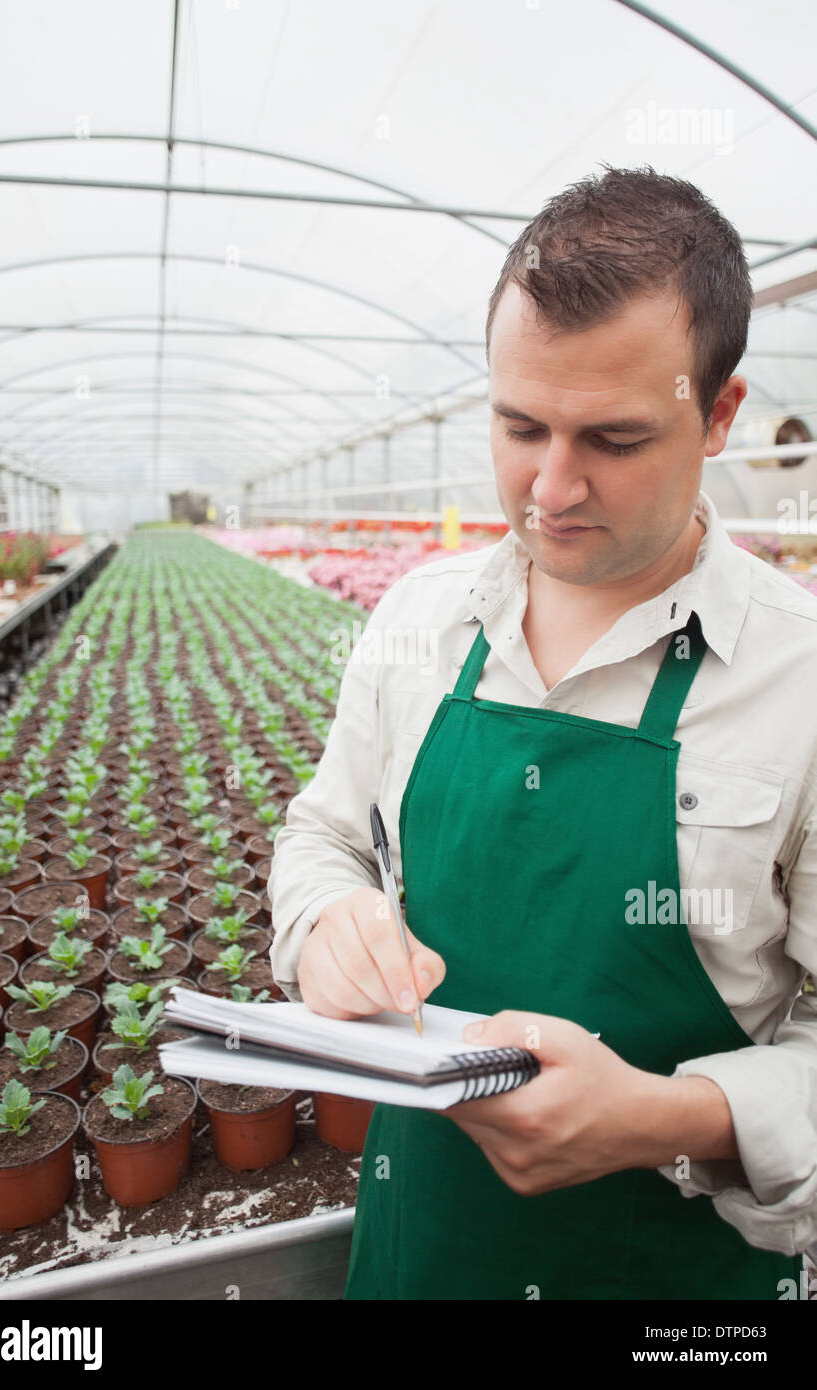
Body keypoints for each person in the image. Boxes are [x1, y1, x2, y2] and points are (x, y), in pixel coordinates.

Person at [268, 163, 817, 1300]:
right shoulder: (420, 621)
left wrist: (664, 1116)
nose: (548, 489)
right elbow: (321, 834)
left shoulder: (794, 677)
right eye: (519, 425)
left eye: (611, 439)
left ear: (716, 414)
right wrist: (326, 918)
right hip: (420, 1252)